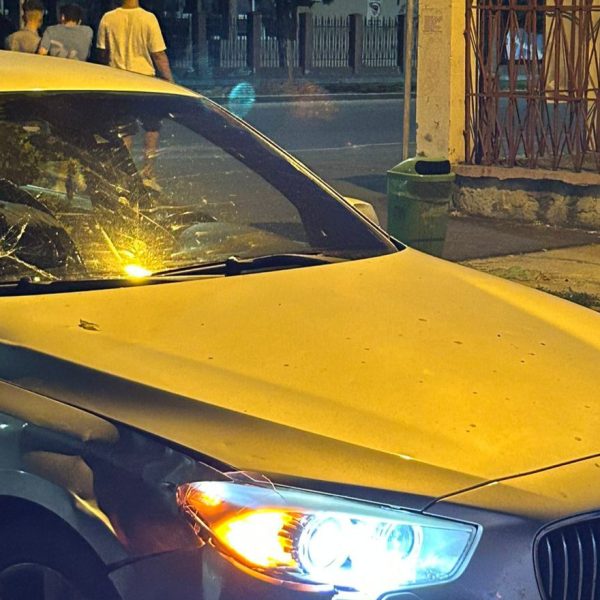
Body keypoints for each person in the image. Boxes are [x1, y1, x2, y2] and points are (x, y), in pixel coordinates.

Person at [96, 0, 173, 185]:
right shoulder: (148, 19)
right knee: (152, 128)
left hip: (118, 82)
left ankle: (124, 175)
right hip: (144, 81)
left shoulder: (108, 18)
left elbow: (102, 53)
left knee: (124, 131)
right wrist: (169, 80)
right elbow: (158, 54)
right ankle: (148, 174)